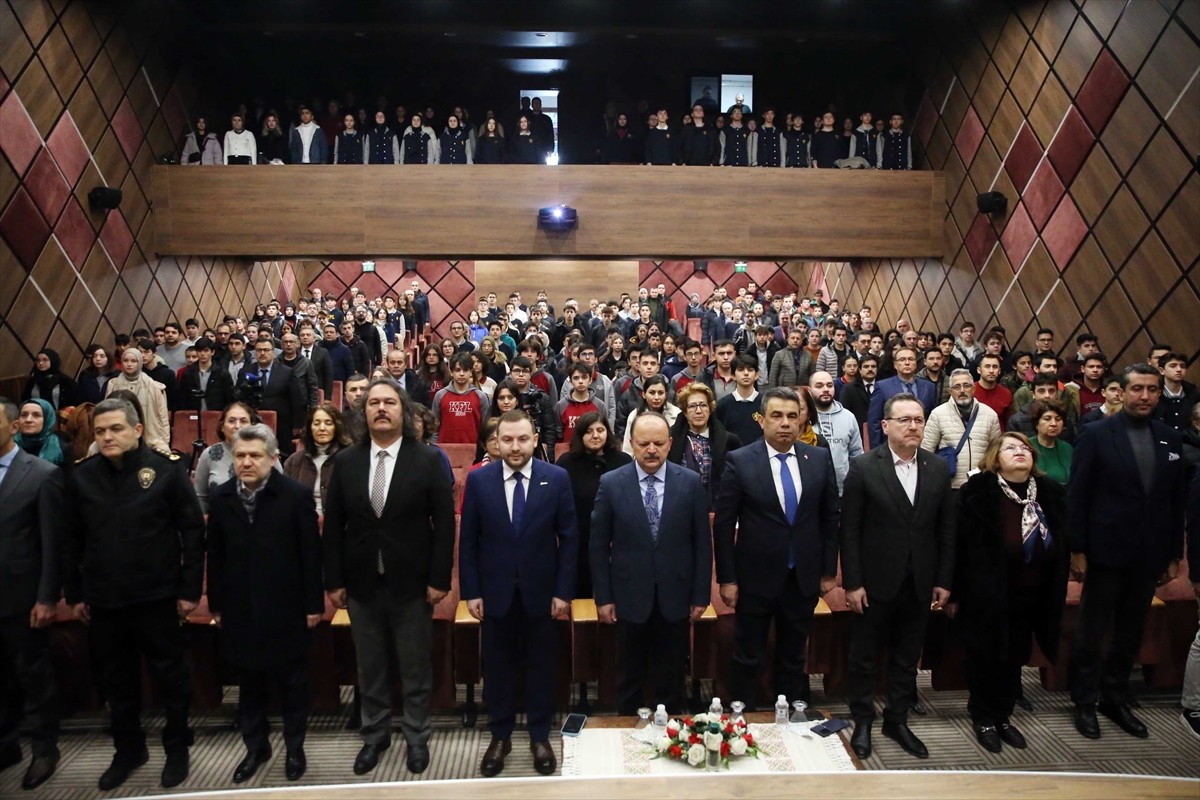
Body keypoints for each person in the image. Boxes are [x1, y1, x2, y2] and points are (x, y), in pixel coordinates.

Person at [62, 397, 205, 791]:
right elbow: (70, 540)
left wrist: (190, 589)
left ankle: (177, 747)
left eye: (116, 429)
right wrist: (74, 593)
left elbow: (192, 533)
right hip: (104, 601)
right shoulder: (82, 476)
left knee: (171, 679)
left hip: (158, 596)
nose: (107, 437)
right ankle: (129, 750)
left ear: (137, 430)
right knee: (117, 681)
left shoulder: (165, 471)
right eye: (101, 431)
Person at [322, 379, 455, 776]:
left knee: (414, 665)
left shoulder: (428, 460)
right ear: (363, 413)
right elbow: (333, 528)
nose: (381, 408)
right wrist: (335, 581)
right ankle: (374, 736)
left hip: (412, 583)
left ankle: (417, 737)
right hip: (361, 583)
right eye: (374, 403)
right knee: (370, 665)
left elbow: (444, 525)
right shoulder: (345, 462)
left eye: (389, 402)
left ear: (404, 411)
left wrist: (438, 579)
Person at [1068, 365, 1186, 740]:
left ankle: (1115, 696)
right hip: (1104, 549)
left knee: (1131, 631)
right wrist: (1077, 548)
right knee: (1093, 629)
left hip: (1149, 552)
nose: (1146, 396)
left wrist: (1172, 555)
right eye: (1137, 389)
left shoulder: (1169, 438)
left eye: (1152, 390)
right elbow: (1078, 495)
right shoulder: (1096, 434)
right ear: (1120, 391)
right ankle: (1085, 701)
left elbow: (1173, 502)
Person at [459, 411, 577, 777]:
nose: (514, 446)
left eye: (522, 439)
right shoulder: (479, 481)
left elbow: (570, 539)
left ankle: (540, 735)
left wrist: (563, 591)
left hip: (542, 594)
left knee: (542, 667)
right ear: (496, 441)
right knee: (498, 668)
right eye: (506, 440)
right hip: (494, 593)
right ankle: (500, 735)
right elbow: (469, 542)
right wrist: (471, 591)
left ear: (534, 438)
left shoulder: (556, 478)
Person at [206, 424, 323, 783]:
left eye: (254, 455)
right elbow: (217, 556)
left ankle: (294, 747)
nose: (246, 462)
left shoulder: (295, 496)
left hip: (286, 606)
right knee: (249, 686)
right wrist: (217, 605)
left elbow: (309, 556)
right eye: (240, 455)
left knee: (293, 685)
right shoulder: (223, 498)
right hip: (240, 608)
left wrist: (312, 605)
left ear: (273, 458)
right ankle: (256, 747)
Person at [841, 393, 955, 760]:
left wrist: (943, 578)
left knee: (908, 657)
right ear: (885, 425)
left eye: (919, 420)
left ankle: (897, 718)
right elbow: (850, 530)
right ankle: (862, 720)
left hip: (920, 582)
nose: (913, 426)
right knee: (864, 657)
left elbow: (945, 531)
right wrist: (853, 582)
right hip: (874, 583)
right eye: (904, 420)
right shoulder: (863, 467)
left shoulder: (937, 467)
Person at [714, 387, 840, 708]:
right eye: (777, 416)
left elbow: (829, 518)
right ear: (761, 420)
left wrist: (828, 571)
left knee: (793, 655)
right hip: (755, 578)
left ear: (802, 420)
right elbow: (725, 524)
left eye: (792, 416)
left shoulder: (819, 458)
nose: (785, 423)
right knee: (748, 654)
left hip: (803, 578)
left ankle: (788, 719)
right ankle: (742, 716)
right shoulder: (740, 461)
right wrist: (727, 579)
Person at [951, 433, 1068, 753]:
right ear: (995, 457)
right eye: (1010, 448)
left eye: (1025, 448)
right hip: (986, 594)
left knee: (1015, 656)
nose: (1021, 452)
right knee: (985, 656)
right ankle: (984, 716)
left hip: (1034, 593)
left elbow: (1062, 545)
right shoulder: (977, 493)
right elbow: (958, 547)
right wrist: (956, 591)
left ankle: (1003, 715)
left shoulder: (1050, 493)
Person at [591, 413, 711, 714]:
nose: (652, 450)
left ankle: (670, 741)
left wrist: (700, 596)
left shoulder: (691, 483)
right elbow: (596, 546)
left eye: (659, 443)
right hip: (628, 597)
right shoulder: (611, 483)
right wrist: (603, 598)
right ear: (631, 444)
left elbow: (702, 545)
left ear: (670, 444)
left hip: (676, 597)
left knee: (671, 679)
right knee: (629, 677)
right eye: (644, 443)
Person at [0, 397, 65, 790]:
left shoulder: (40, 474)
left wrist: (46, 597)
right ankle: (6, 745)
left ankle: (45, 749)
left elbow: (52, 543)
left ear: (12, 428)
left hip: (21, 596)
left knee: (32, 676)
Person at [555, 412, 631, 600]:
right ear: (580, 435)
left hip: (618, 542)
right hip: (580, 542)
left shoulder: (623, 461)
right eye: (589, 431)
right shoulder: (566, 462)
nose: (595, 435)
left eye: (600, 430)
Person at [919, 369, 1002, 489]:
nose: (962, 390)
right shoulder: (938, 414)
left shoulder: (989, 414)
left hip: (981, 485)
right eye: (957, 387)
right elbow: (926, 451)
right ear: (950, 391)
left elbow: (995, 452)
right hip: (950, 485)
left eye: (966, 386)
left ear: (973, 389)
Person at [668, 382, 741, 504]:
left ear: (710, 409)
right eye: (692, 406)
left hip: (718, 507)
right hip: (681, 505)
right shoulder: (670, 440)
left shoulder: (729, 441)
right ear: (685, 412)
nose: (698, 411)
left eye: (703, 405)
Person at [238, 339, 305, 457]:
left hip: (281, 424)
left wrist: (297, 425)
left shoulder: (287, 372)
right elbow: (239, 398)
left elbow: (296, 399)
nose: (262, 353)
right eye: (259, 350)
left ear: (273, 352)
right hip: (253, 423)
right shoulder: (246, 372)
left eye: (266, 350)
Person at [283, 403, 352, 517]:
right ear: (310, 428)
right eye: (316, 423)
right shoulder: (294, 461)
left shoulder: (349, 458)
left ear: (337, 427)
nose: (322, 428)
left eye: (328, 423)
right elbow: (284, 498)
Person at [867, 347, 936, 449]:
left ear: (916, 363)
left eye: (911, 359)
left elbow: (932, 419)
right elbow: (874, 422)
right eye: (902, 360)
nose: (907, 363)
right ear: (895, 365)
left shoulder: (928, 387)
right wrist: (877, 451)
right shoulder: (882, 387)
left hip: (921, 445)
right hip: (893, 445)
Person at [105, 348, 170, 453]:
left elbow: (162, 416)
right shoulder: (113, 384)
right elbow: (106, 412)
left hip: (150, 437)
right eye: (126, 361)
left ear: (139, 363)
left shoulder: (154, 386)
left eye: (133, 361)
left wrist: (165, 440)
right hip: (118, 436)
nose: (129, 364)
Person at [810, 371, 864, 493]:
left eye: (829, 385)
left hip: (844, 490)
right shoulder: (803, 418)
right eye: (819, 386)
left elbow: (857, 454)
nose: (825, 389)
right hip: (812, 490)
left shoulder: (848, 417)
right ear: (810, 390)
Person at [432, 353, 490, 444]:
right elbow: (434, 428)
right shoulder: (440, 395)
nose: (461, 374)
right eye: (457, 370)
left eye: (465, 370)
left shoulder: (481, 396)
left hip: (474, 450)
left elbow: (485, 428)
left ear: (471, 372)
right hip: (445, 450)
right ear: (451, 372)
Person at [621, 374, 680, 454]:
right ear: (644, 394)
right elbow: (628, 449)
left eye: (660, 393)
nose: (656, 397)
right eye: (652, 393)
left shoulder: (677, 414)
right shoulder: (635, 415)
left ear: (666, 395)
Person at [178, 337, 235, 412]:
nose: (202, 354)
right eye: (199, 351)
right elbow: (182, 397)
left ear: (212, 352)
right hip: (194, 414)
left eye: (206, 350)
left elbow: (229, 398)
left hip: (216, 414)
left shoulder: (222, 373)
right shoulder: (188, 373)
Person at [1027, 399, 1072, 487]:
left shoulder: (1068, 448)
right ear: (1036, 423)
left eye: (1058, 419)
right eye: (1047, 419)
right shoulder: (1027, 447)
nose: (1054, 424)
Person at [14, 399, 69, 466]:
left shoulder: (61, 448)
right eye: (24, 415)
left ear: (47, 419)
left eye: (36, 415)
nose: (28, 420)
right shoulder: (9, 445)